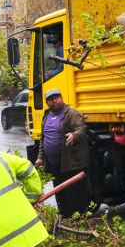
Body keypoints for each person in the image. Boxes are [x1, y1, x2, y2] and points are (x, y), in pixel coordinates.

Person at [34, 89, 92, 217]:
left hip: (71, 163)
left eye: (57, 97)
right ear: (46, 102)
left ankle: (76, 220)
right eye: (51, 99)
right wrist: (40, 157)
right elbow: (43, 139)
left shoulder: (71, 113)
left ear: (61, 97)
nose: (54, 101)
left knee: (73, 195)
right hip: (55, 165)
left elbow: (81, 129)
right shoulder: (46, 116)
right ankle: (64, 218)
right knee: (60, 193)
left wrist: (74, 135)